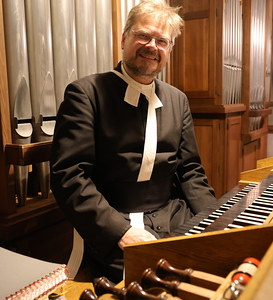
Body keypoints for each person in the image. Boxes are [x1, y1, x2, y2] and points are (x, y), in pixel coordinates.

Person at [50, 0, 216, 283]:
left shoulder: (178, 99)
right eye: (143, 36)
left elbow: (190, 171)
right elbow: (69, 176)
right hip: (112, 220)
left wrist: (216, 218)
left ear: (169, 50)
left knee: (214, 265)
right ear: (124, 39)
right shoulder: (86, 93)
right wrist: (120, 230)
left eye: (162, 41)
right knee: (151, 282)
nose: (152, 46)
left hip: (172, 214)